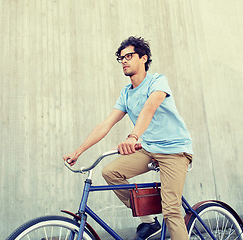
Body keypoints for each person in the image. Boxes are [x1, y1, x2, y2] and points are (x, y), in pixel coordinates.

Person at [63, 36, 193, 240]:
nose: (124, 60)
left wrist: (133, 136)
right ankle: (150, 223)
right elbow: (106, 124)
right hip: (150, 149)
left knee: (171, 211)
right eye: (121, 58)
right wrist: (78, 152)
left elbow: (150, 108)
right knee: (111, 172)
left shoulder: (158, 81)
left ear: (143, 58)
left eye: (129, 56)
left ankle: (168, 212)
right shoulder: (126, 93)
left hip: (175, 150)